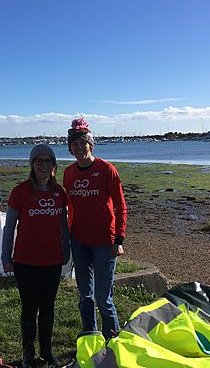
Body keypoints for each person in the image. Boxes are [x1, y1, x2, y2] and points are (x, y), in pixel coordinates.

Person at [1, 144, 70, 368]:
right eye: (39, 161)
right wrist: (5, 257)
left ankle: (47, 352)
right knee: (29, 308)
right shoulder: (19, 192)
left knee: (48, 307)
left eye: (48, 161)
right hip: (25, 261)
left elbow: (64, 227)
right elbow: (9, 227)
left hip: (52, 261)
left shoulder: (59, 192)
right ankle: (28, 354)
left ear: (54, 166)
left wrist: (66, 252)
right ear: (32, 164)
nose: (43, 165)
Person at [63, 118, 128, 339]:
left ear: (90, 144)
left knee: (103, 298)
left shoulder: (106, 169)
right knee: (85, 295)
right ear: (70, 148)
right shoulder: (69, 173)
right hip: (79, 241)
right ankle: (90, 335)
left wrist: (119, 239)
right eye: (74, 145)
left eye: (83, 143)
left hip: (105, 242)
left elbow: (120, 206)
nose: (79, 148)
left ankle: (113, 340)